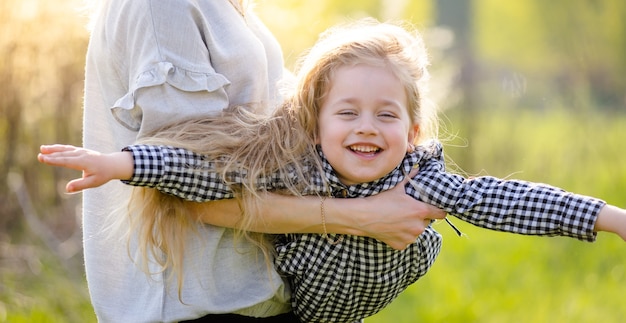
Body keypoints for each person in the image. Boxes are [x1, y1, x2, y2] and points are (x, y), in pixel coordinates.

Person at [41, 18, 626, 322]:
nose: (366, 127)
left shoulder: (421, 180)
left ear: (414, 131)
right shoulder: (291, 169)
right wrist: (122, 162)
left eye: (386, 115)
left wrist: (608, 216)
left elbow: (506, 200)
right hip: (292, 302)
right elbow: (204, 174)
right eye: (347, 113)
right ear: (315, 122)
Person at [76, 1, 444, 322]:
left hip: (257, 301)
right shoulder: (166, 8)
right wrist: (364, 217)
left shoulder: (235, 10)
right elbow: (191, 193)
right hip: (199, 308)